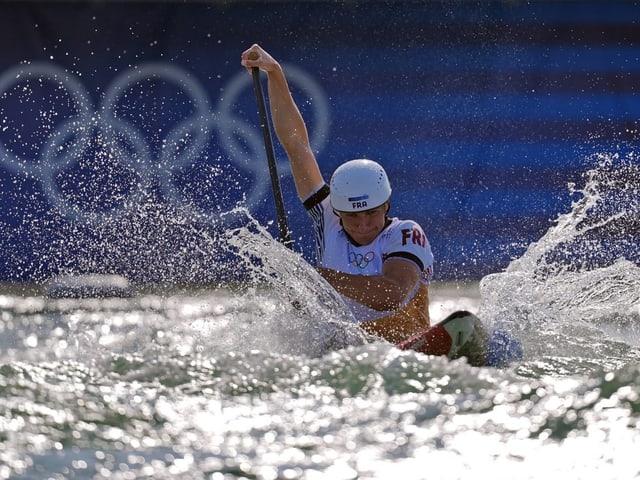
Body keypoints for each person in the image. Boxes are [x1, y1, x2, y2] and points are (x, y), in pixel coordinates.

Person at [241, 44, 434, 344]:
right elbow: (296, 146)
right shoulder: (327, 216)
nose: (363, 224)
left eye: (372, 212)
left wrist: (317, 279)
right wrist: (275, 73)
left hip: (406, 346)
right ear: (339, 211)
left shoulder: (406, 234)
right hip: (344, 350)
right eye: (352, 216)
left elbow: (392, 295)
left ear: (386, 205)